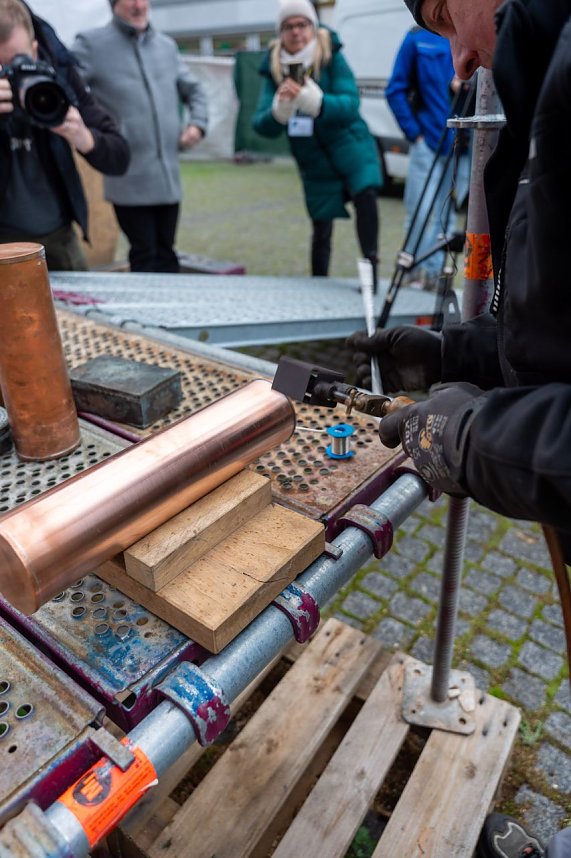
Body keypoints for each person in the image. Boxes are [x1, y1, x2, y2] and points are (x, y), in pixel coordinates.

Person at [347, 0, 571, 849]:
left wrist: (476, 440)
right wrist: (456, 354)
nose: (453, 61)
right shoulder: (543, 68)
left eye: (445, 16)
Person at [252, 0, 382, 289]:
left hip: (351, 146)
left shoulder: (331, 55)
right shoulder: (274, 68)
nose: (296, 32)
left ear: (313, 26)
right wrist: (279, 111)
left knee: (366, 197)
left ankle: (370, 273)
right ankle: (318, 283)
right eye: (289, 26)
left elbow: (351, 104)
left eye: (302, 24)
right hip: (313, 158)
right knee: (321, 222)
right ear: (280, 33)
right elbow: (261, 124)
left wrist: (318, 103)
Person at [73, 0, 208, 273]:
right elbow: (67, 88)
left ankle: (171, 314)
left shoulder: (166, 47)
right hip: (128, 178)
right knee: (145, 254)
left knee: (167, 253)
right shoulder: (92, 44)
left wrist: (198, 124)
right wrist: (93, 134)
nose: (138, 5)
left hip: (167, 177)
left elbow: (195, 90)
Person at [0, 0, 130, 270]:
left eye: (17, 62)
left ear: (35, 52)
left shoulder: (57, 76)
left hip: (60, 243)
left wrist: (84, 137)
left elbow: (119, 156)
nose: (10, 76)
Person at [386, 29, 470, 289]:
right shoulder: (417, 38)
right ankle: (413, 270)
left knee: (448, 216)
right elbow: (395, 90)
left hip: (463, 147)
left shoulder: (470, 31)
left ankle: (435, 277)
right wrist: (415, 134)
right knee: (420, 211)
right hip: (429, 142)